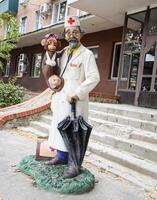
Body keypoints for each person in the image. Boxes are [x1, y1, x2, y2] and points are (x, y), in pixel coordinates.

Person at [46, 16, 100, 178]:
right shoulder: (63, 53)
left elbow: (94, 77)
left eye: (75, 32)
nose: (72, 35)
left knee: (73, 133)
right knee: (59, 128)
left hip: (75, 101)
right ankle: (61, 157)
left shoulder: (87, 54)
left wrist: (78, 93)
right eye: (68, 32)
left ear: (81, 35)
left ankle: (74, 165)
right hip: (60, 98)